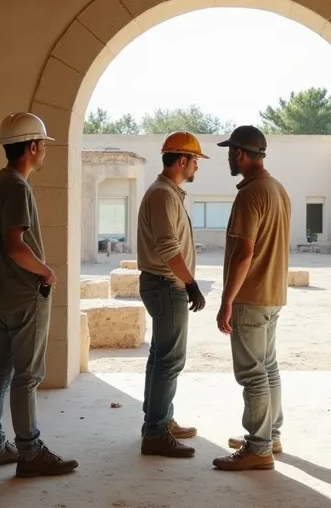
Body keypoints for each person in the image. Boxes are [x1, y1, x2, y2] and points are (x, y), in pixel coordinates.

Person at [0, 112, 78, 478]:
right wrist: (47, 271)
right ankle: (30, 451)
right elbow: (16, 246)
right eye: (43, 146)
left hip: (2, 295)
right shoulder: (17, 187)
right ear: (33, 147)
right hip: (23, 294)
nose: (44, 152)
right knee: (27, 376)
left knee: (0, 371)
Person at [211, 125, 292, 471]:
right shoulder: (277, 189)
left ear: (242, 154)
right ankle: (270, 436)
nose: (229, 157)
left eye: (231, 152)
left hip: (251, 296)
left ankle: (258, 448)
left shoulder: (250, 194)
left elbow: (244, 254)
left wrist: (227, 300)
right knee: (268, 367)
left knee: (252, 373)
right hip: (273, 295)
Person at [135, 132, 210, 458]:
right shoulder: (163, 195)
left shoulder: (166, 193)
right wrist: (190, 283)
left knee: (159, 356)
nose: (197, 167)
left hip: (162, 284)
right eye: (195, 161)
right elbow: (168, 248)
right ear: (182, 160)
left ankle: (159, 421)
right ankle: (155, 432)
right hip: (167, 285)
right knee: (169, 360)